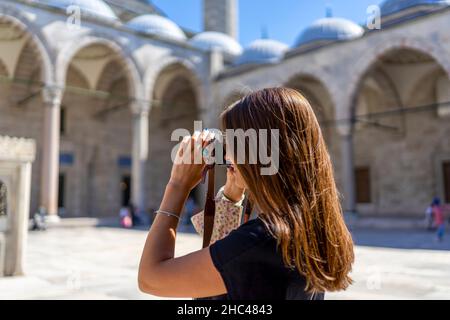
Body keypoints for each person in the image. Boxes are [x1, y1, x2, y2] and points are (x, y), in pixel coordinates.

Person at [138, 88, 354, 299]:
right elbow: (227, 261)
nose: (227, 155)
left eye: (233, 143)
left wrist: (177, 186)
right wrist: (231, 196)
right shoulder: (305, 227)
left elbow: (150, 278)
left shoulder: (262, 241)